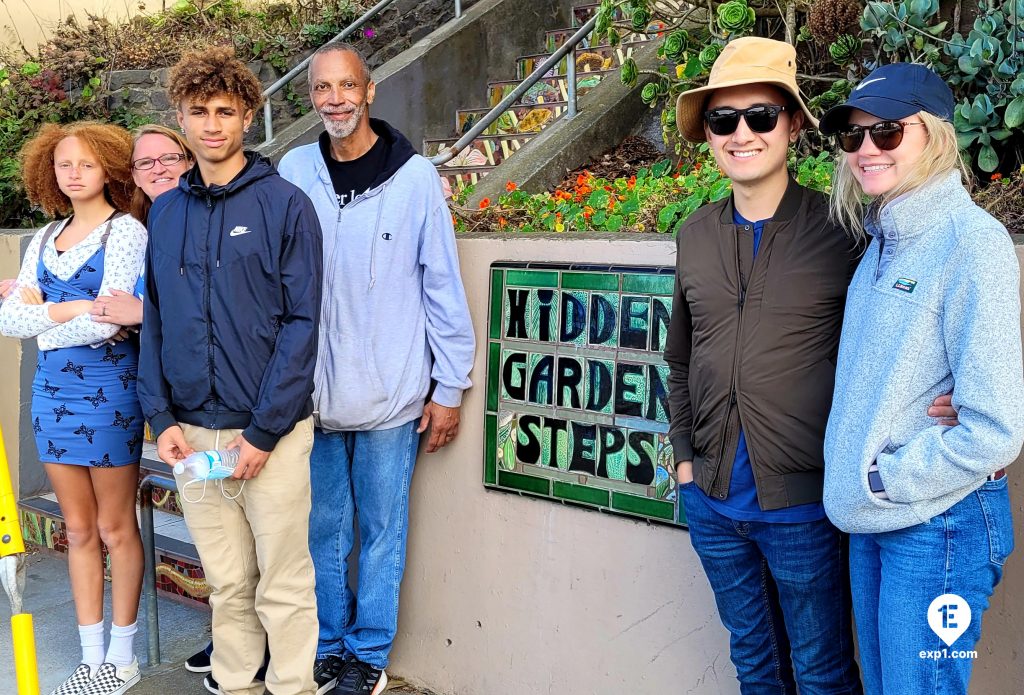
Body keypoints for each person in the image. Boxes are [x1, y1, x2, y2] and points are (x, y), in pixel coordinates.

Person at [277, 43, 474, 695]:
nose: (334, 99)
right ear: (311, 96)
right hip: (312, 397)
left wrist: (450, 386)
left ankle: (368, 654)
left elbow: (442, 284)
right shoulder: (294, 171)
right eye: (321, 87)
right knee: (323, 530)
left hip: (392, 397)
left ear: (369, 91)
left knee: (383, 531)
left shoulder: (415, 179)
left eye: (347, 86)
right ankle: (329, 645)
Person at [820, 63, 1023, 695]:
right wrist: (869, 482)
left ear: (934, 135)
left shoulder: (971, 243)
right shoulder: (883, 242)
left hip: (939, 524)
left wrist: (884, 477)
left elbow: (995, 428)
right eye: (853, 136)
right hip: (874, 517)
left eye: (887, 131)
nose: (866, 149)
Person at [137, 46, 323, 695]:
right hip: (192, 435)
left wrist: (264, 432)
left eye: (225, 111)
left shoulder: (287, 205)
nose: (212, 124)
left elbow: (302, 324)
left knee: (284, 583)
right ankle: (236, 682)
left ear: (247, 116)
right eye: (199, 111)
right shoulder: (165, 212)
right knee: (227, 582)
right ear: (181, 120)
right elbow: (155, 318)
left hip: (272, 435)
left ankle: (293, 685)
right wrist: (161, 417)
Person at [0, 121, 148, 695]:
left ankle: (123, 658)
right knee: (79, 529)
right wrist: (78, 308)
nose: (75, 173)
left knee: (114, 526)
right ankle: (91, 659)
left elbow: (108, 323)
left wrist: (46, 317)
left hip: (111, 394)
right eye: (65, 163)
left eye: (87, 163)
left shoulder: (126, 232)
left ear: (109, 167)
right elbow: (9, 320)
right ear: (50, 170)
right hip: (52, 394)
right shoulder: (43, 238)